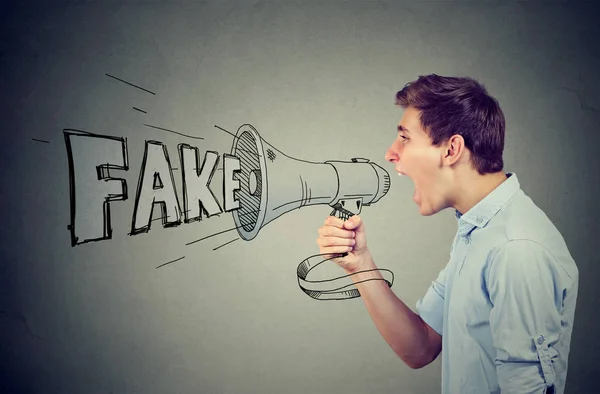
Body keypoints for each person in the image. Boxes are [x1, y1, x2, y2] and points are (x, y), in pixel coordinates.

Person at [316, 74, 579, 394]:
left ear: (452, 149)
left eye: (405, 138)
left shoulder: (516, 248)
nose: (390, 153)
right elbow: (421, 346)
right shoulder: (478, 232)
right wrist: (361, 265)